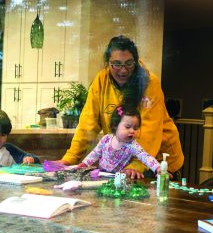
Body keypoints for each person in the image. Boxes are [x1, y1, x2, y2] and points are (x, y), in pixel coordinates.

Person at [56, 35, 184, 180]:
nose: (123, 71)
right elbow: (87, 124)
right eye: (116, 64)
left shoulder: (149, 82)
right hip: (123, 163)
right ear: (108, 63)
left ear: (135, 62)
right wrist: (70, 158)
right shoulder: (100, 81)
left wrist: (135, 166)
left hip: (157, 160)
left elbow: (149, 130)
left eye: (129, 63)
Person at [74, 106, 162, 174]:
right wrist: (85, 164)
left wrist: (158, 168)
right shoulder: (106, 139)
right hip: (101, 175)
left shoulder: (132, 146)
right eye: (127, 127)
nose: (132, 131)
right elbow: (95, 153)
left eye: (135, 128)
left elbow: (145, 157)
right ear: (115, 125)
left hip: (118, 179)